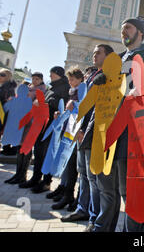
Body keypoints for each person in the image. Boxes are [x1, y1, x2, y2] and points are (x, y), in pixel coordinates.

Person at [112, 17, 144, 232]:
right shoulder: (116, 59)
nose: (124, 32)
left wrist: (143, 92)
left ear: (140, 32)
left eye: (128, 28)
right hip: (115, 132)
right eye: (122, 29)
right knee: (121, 190)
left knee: (134, 192)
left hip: (136, 134)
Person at [61, 46, 117, 232]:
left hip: (93, 132)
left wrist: (84, 128)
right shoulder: (92, 76)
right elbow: (84, 105)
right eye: (93, 53)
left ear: (109, 57)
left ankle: (95, 218)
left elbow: (97, 108)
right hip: (82, 132)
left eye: (98, 53)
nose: (94, 55)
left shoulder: (110, 76)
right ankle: (82, 208)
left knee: (95, 180)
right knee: (83, 174)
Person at [20, 67, 70, 193]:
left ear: (58, 74)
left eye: (52, 74)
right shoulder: (51, 88)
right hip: (42, 124)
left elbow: (62, 104)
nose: (50, 76)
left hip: (52, 125)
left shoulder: (64, 87)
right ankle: (36, 177)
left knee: (48, 154)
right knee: (38, 152)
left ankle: (46, 181)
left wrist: (46, 104)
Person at [49, 66, 84, 210]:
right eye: (69, 79)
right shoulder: (72, 92)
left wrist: (73, 106)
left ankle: (76, 198)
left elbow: (82, 109)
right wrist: (61, 113)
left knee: (77, 168)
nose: (70, 82)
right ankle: (67, 194)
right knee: (69, 166)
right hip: (69, 130)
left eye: (73, 79)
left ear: (80, 79)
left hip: (76, 131)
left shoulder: (82, 91)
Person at [6, 72, 47, 185]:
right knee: (20, 148)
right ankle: (17, 174)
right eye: (33, 78)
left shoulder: (42, 91)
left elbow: (39, 104)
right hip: (21, 121)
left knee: (26, 148)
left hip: (31, 123)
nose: (34, 81)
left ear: (41, 80)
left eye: (37, 79)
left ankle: (22, 175)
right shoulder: (27, 88)